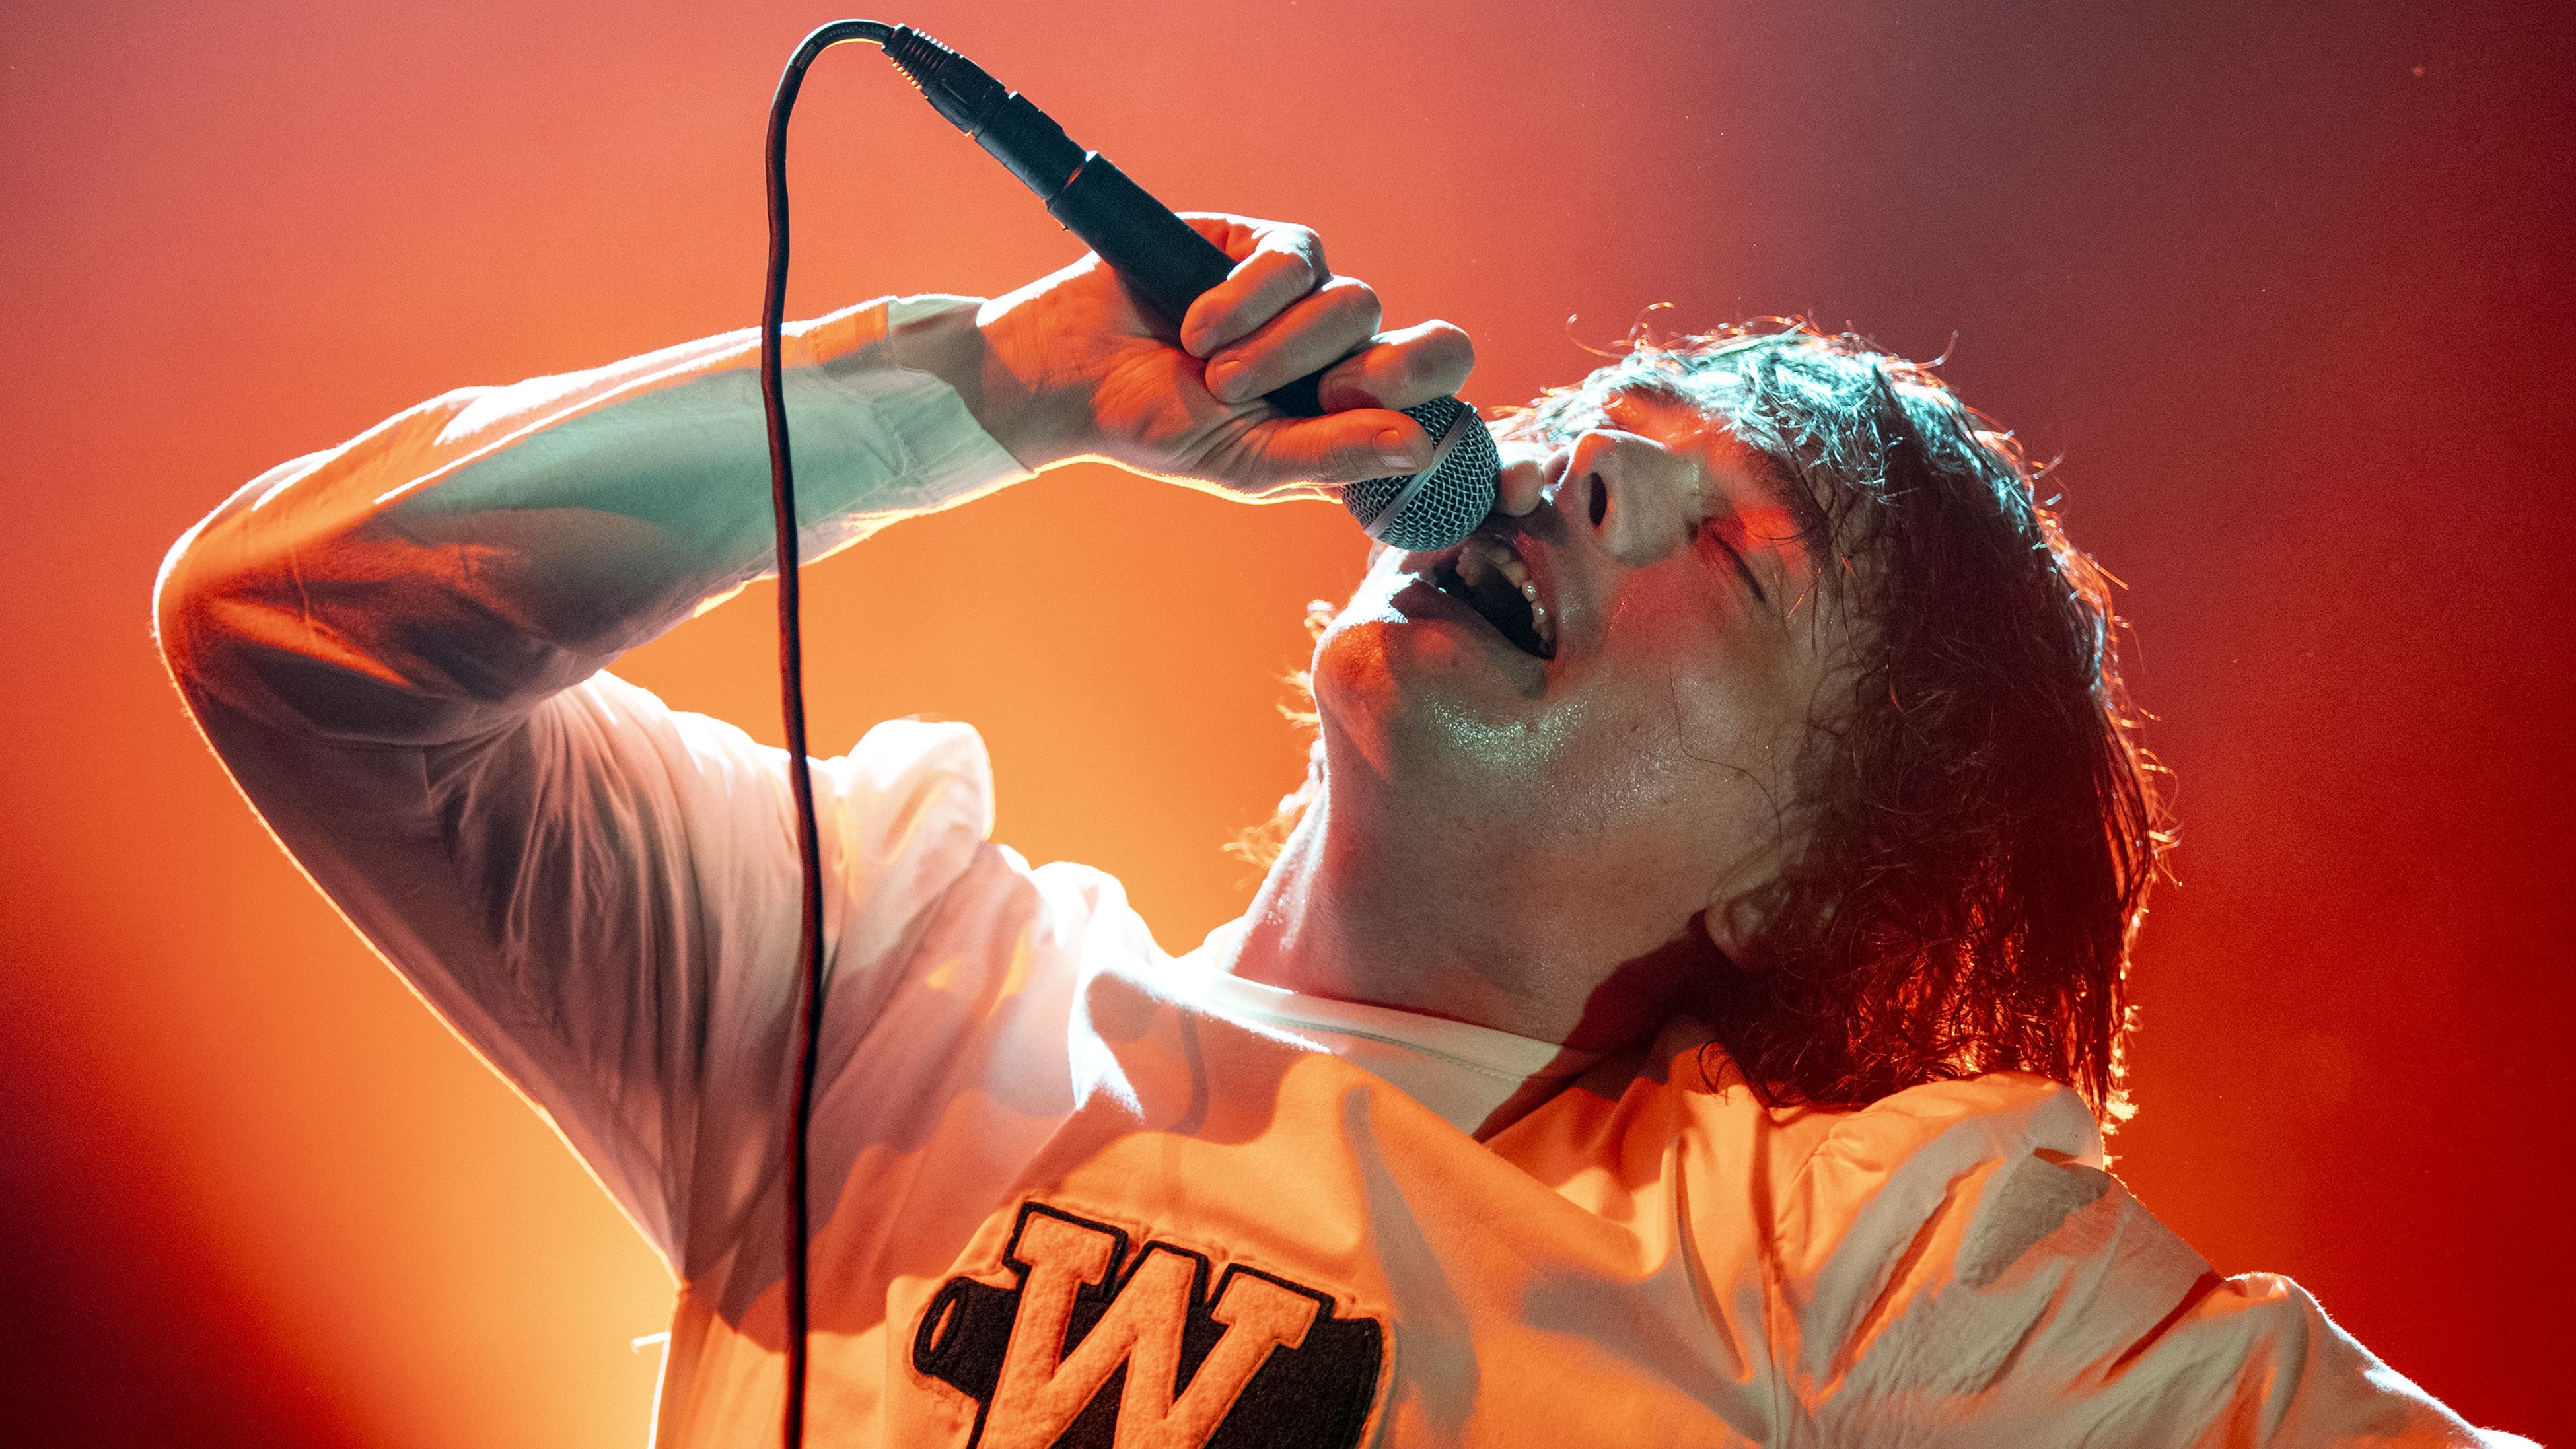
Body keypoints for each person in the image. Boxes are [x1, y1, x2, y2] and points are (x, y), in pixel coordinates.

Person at [155, 215, 2526, 1447]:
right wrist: (970, 392)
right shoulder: (876, 973)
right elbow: (292, 628)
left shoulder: (1844, 1269)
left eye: (1735, 540)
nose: (1584, 457)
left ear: (1800, 861)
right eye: (1609, 411)